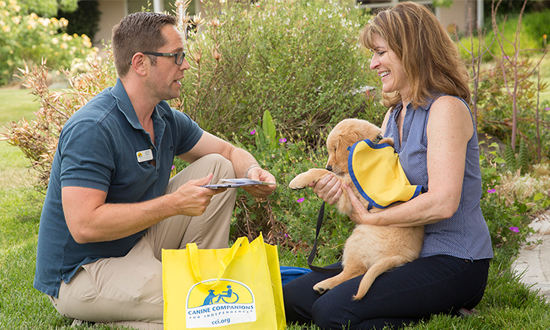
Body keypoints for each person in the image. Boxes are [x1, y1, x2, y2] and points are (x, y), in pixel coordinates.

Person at [33, 11, 276, 329]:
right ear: (140, 63)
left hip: (135, 243)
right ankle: (123, 308)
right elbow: (84, 225)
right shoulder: (93, 128)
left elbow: (228, 152)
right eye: (176, 56)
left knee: (218, 167)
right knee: (211, 305)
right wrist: (174, 204)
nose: (185, 65)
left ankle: (192, 281)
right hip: (81, 272)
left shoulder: (163, 117)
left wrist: (253, 171)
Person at [283, 2, 493, 329]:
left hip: (452, 259)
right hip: (397, 253)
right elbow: (379, 191)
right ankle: (417, 308)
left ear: (411, 50)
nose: (372, 63)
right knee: (292, 298)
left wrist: (371, 218)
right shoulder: (394, 116)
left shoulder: (446, 109)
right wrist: (338, 192)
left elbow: (443, 202)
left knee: (332, 312)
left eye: (380, 52)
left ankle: (441, 311)